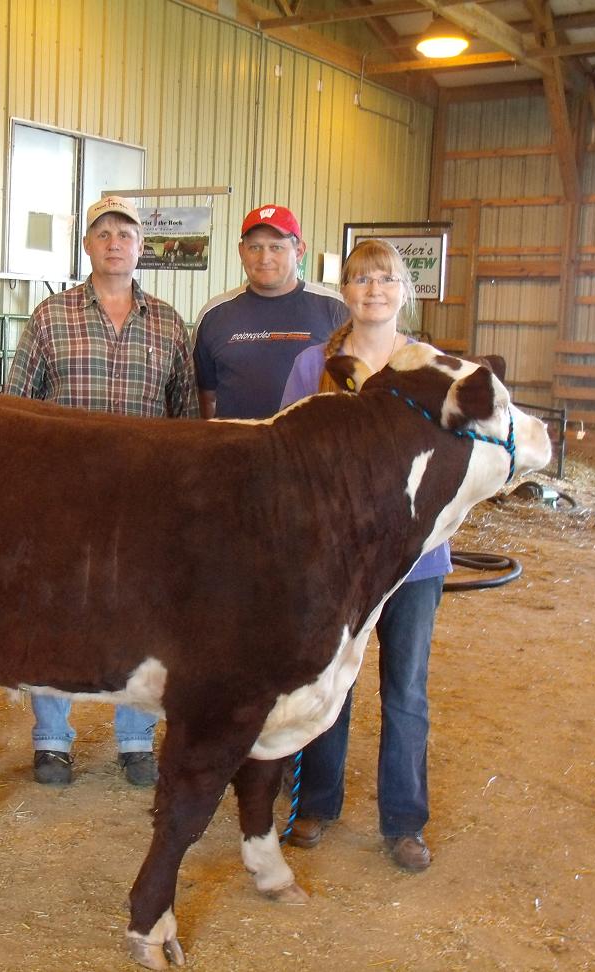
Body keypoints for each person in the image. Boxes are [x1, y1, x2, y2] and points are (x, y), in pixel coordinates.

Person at [4, 194, 198, 788]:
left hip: (144, 500)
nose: (115, 243)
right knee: (55, 611)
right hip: (63, 496)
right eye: (103, 233)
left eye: (126, 234)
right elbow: (15, 408)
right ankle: (52, 739)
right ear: (87, 244)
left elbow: (185, 415)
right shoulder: (49, 316)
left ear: (142, 247)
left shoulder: (168, 322)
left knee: (140, 615)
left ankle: (136, 738)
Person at [278, 238, 448, 872]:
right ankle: (317, 803)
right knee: (332, 681)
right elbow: (289, 454)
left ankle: (404, 821)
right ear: (343, 292)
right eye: (359, 279)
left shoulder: (433, 368)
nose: (372, 290)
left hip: (416, 558)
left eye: (384, 279)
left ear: (405, 290)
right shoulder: (310, 366)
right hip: (337, 556)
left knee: (406, 687)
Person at [193, 204, 347, 420]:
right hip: (236, 450)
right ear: (241, 251)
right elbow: (204, 397)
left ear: (299, 251)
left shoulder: (337, 309)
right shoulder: (214, 314)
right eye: (255, 247)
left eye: (276, 247)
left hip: (311, 449)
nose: (264, 258)